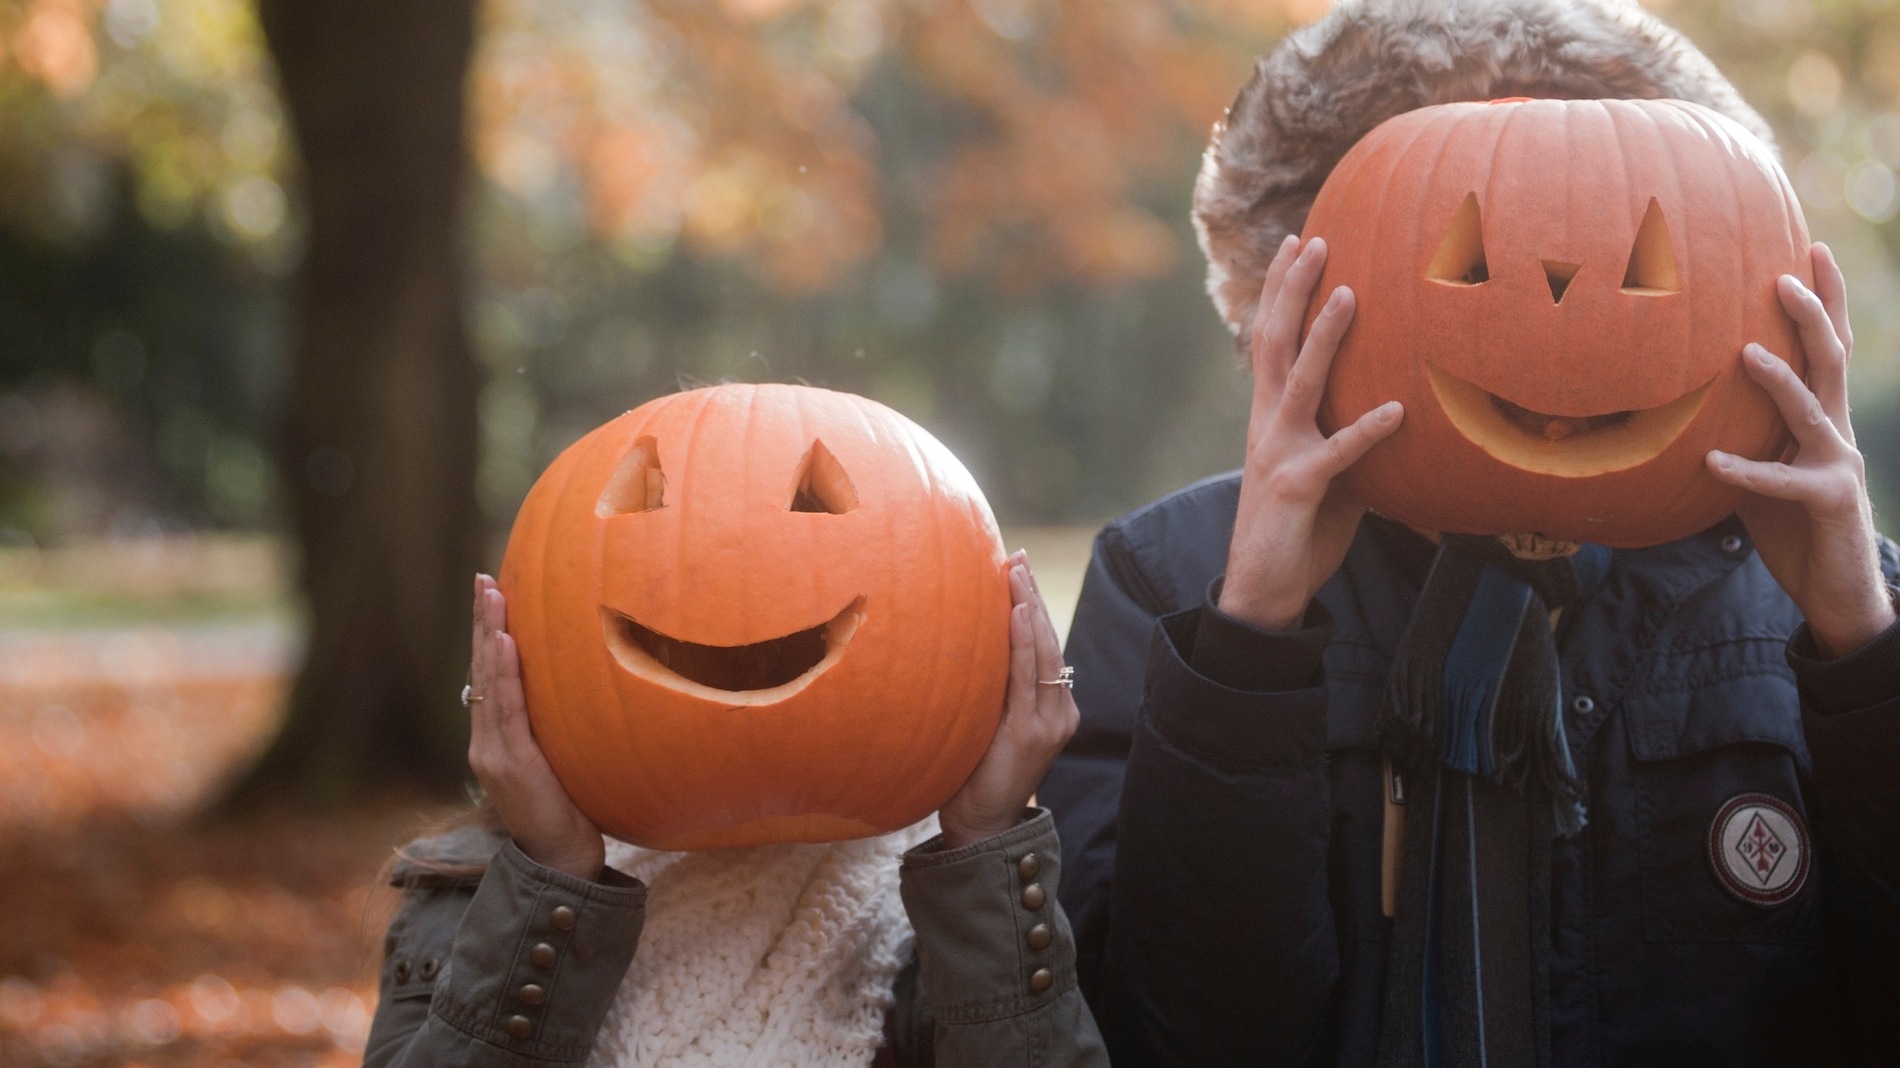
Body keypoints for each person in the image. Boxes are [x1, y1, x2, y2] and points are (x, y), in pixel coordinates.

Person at [1038, 1, 1900, 1065]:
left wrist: (1861, 654)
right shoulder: (1171, 581)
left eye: (1633, 268)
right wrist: (1252, 640)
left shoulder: (1837, 599)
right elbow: (1174, 1031)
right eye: (1470, 265)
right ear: (1297, 299)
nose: (1555, 328)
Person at [362, 552, 1108, 1067]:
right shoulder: (476, 890)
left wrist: (985, 837)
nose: (735, 614)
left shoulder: (943, 911)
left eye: (810, 509)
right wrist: (555, 868)